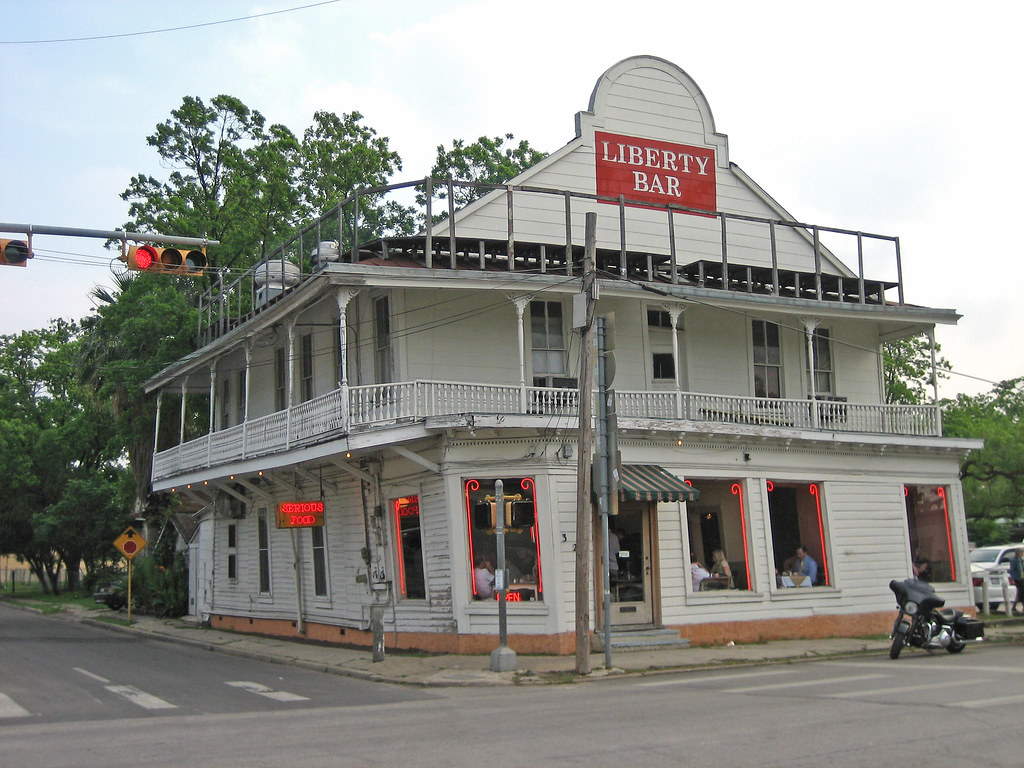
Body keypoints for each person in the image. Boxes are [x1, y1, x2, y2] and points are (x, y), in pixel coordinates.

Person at [1009, 547, 1024, 614]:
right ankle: (1013, 607)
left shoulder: (1021, 560)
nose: (1022, 553)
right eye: (1021, 552)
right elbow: (1012, 570)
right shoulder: (1014, 560)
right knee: (1020, 593)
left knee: (1022, 593)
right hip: (1017, 579)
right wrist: (1012, 579)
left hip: (1022, 578)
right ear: (1017, 553)